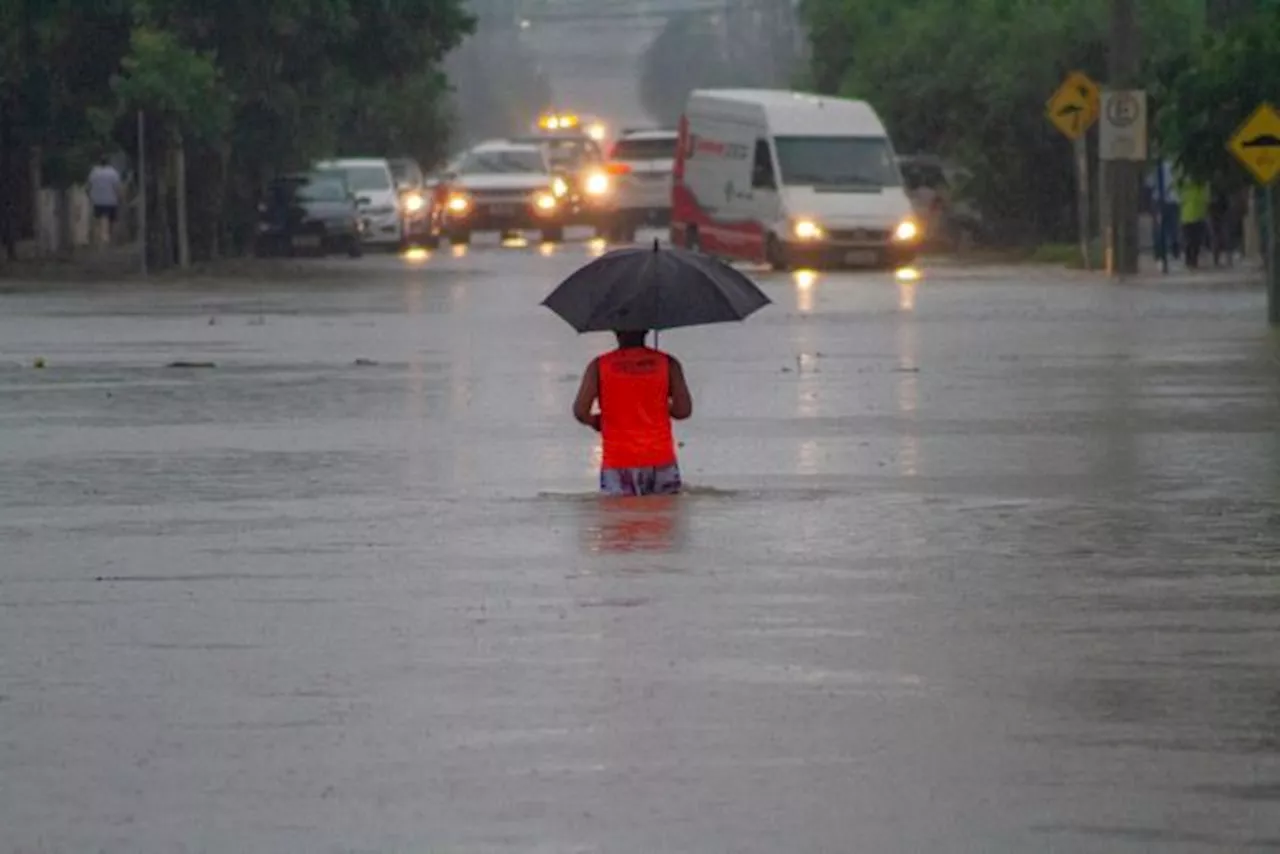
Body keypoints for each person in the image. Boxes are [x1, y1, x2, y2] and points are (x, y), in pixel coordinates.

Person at [573, 329, 693, 496]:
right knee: (663, 518)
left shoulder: (599, 366)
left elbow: (580, 411)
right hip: (660, 458)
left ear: (615, 331)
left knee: (619, 519)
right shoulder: (668, 363)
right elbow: (683, 411)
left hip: (619, 460)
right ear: (647, 330)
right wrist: (662, 404)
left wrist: (597, 422)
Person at [86, 156, 123, 247]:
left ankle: (98, 240)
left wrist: (90, 196)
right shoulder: (113, 173)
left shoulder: (93, 172)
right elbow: (117, 187)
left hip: (97, 200)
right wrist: (120, 198)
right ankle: (111, 241)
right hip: (111, 201)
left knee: (98, 221)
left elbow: (88, 187)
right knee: (112, 221)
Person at [1177, 174, 1210, 269]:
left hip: (1189, 216)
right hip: (1195, 216)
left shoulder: (1185, 186)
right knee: (1194, 241)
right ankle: (1192, 260)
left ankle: (1190, 260)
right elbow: (1206, 199)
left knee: (1191, 241)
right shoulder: (1200, 185)